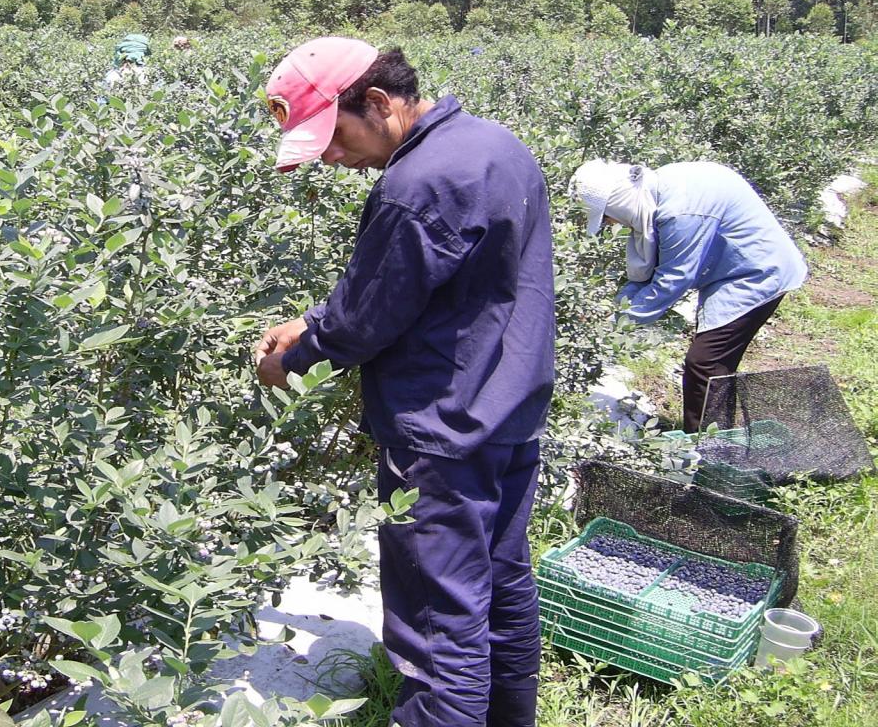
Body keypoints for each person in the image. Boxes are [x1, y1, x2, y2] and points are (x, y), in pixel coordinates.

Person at [253, 37, 554, 727]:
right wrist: (312, 321)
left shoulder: (416, 184)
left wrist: (290, 360)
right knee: (500, 585)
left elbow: (366, 321)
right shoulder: (492, 145)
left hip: (440, 431)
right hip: (507, 409)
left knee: (435, 630)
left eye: (332, 136)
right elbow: (433, 286)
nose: (329, 157)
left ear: (379, 104)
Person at [571, 159, 808, 434]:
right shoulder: (653, 194)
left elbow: (673, 280)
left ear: (618, 201)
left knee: (706, 362)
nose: (610, 223)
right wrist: (611, 311)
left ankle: (711, 453)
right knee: (714, 362)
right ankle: (716, 439)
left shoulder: (679, 212)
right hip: (732, 270)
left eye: (607, 215)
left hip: (757, 272)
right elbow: (649, 274)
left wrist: (611, 326)